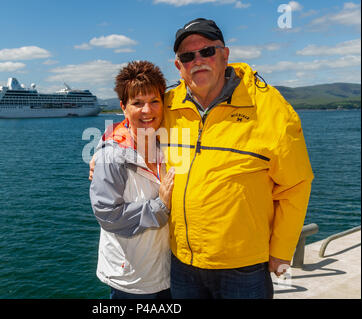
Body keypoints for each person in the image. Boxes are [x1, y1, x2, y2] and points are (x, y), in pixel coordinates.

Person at [162, 18, 314, 299]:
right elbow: (135, 126)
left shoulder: (269, 108)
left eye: (207, 51)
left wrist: (281, 251)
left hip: (243, 268)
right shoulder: (169, 106)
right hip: (183, 263)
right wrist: (107, 151)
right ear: (178, 66)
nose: (198, 60)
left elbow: (296, 184)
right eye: (187, 56)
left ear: (225, 54)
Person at [89, 61, 175, 299]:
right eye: (137, 103)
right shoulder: (111, 156)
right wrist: (160, 206)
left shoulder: (169, 144)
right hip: (131, 279)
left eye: (154, 101)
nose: (147, 110)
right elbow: (107, 214)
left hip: (168, 272)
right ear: (123, 107)